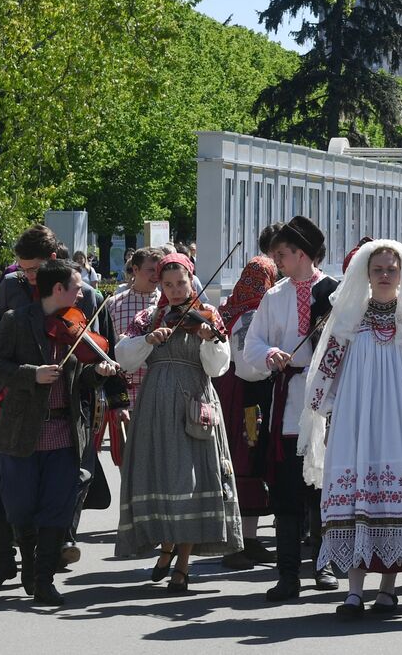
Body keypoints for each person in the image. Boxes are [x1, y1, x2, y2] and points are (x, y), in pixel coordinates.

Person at [299, 241, 402, 619]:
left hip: (401, 420)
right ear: (367, 274)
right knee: (357, 497)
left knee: (395, 497)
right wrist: (321, 414)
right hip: (356, 418)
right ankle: (354, 592)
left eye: (392, 269)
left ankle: (388, 590)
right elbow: (327, 371)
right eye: (379, 269)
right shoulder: (348, 318)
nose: (386, 275)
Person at [0, 260, 117, 606]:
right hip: (21, 429)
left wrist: (99, 372)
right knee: (21, 506)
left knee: (57, 506)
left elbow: (81, 379)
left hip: (64, 429)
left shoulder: (75, 324)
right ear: (57, 289)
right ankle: (28, 565)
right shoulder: (16, 321)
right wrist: (32, 374)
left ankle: (44, 579)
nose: (81, 292)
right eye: (76, 286)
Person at [114, 253, 242, 592]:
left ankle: (182, 566)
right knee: (162, 476)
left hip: (193, 402)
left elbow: (218, 367)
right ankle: (166, 549)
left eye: (180, 283)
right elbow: (124, 356)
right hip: (155, 405)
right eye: (167, 284)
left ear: (191, 281)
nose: (174, 290)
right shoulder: (149, 316)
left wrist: (208, 339)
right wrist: (147, 339)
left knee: (190, 480)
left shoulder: (208, 316)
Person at [239, 216, 340, 601]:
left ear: (302, 254)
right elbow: (252, 346)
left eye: (282, 254)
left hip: (326, 401)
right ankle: (287, 576)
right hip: (286, 405)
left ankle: (324, 565)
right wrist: (270, 354)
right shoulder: (275, 295)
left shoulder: (335, 293)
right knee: (286, 491)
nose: (276, 260)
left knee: (323, 491)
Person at [214, 228, 279, 570]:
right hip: (247, 396)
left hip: (234, 393)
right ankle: (243, 542)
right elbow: (251, 366)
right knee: (247, 462)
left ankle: (242, 539)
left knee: (243, 463)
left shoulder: (229, 309)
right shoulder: (252, 315)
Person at [98, 246, 166, 410]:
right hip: (124, 391)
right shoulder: (113, 303)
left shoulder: (167, 304)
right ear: (135, 269)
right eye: (150, 270)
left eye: (159, 270)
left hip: (160, 390)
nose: (156, 275)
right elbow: (106, 350)